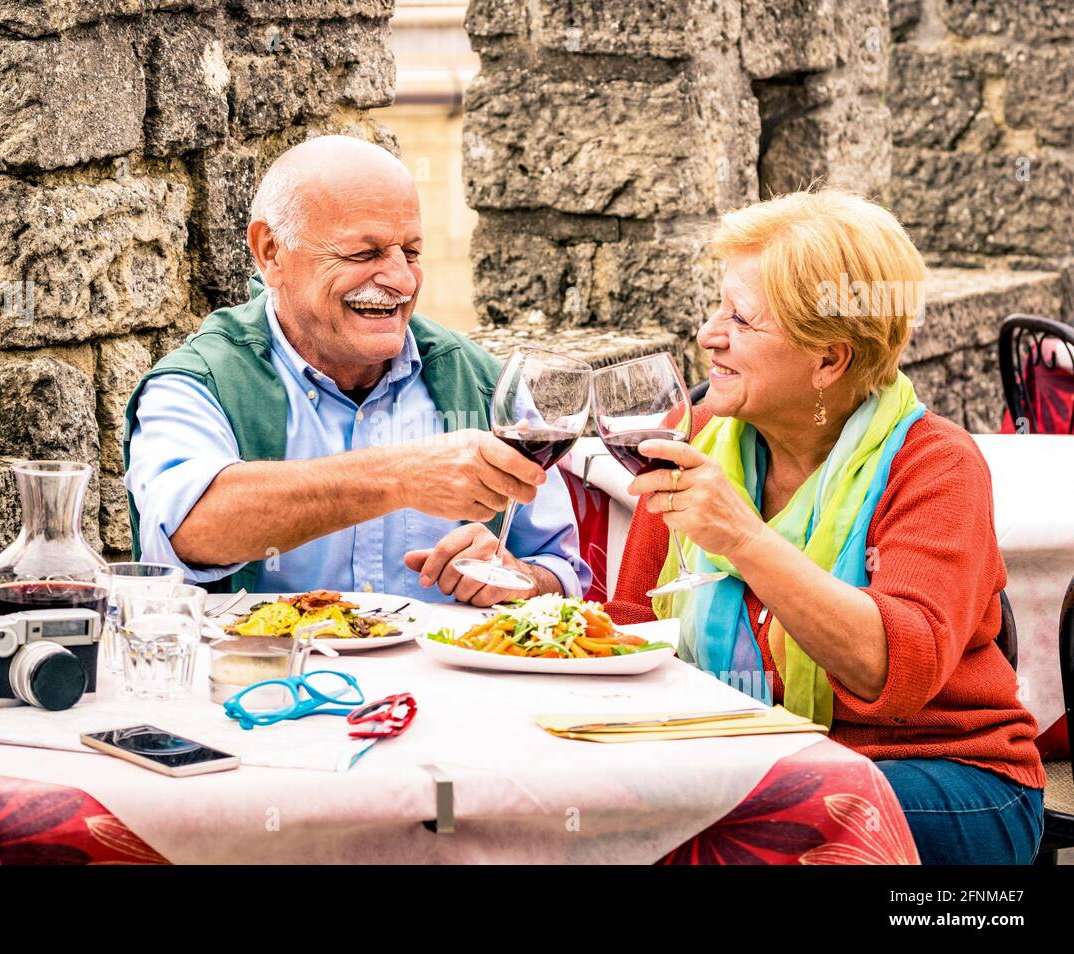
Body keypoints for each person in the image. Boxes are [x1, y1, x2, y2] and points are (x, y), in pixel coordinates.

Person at [606, 189, 1045, 864]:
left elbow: (893, 672)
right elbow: (631, 629)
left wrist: (745, 540)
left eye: (742, 320)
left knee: (758, 819)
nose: (708, 335)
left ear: (829, 361)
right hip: (738, 759)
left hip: (946, 775)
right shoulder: (694, 438)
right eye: (717, 307)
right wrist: (524, 601)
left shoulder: (936, 466)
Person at [123, 135, 589, 606]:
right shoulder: (198, 382)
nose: (402, 280)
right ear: (271, 252)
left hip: (448, 680)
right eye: (363, 254)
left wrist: (518, 577)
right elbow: (188, 529)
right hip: (268, 678)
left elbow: (563, 571)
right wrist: (399, 475)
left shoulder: (483, 383)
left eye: (410, 252)